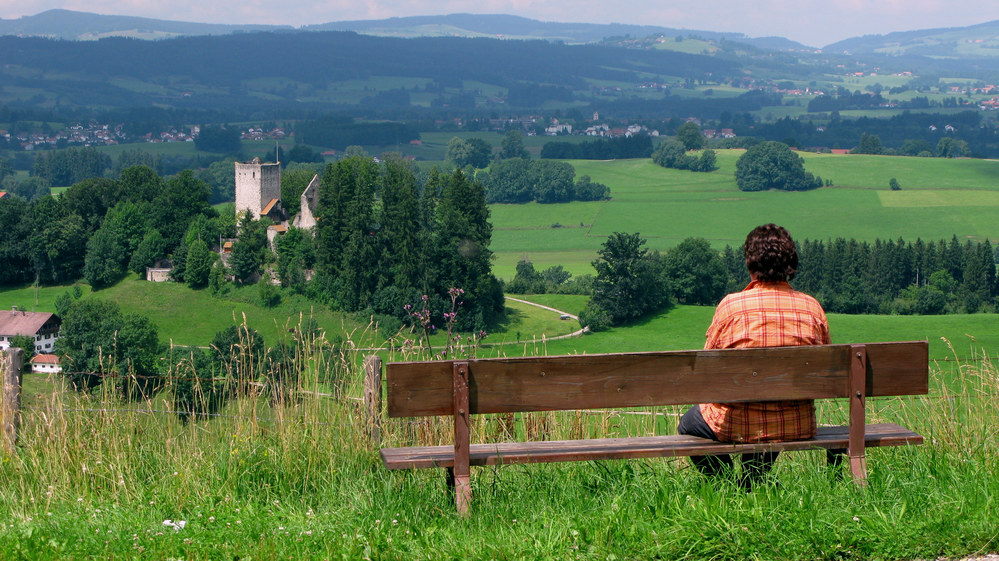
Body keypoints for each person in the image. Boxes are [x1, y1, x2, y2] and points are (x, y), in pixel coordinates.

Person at [677, 223, 830, 488]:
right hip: (796, 423)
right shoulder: (812, 309)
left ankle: (726, 485)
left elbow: (706, 371)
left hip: (736, 423)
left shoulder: (731, 307)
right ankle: (753, 481)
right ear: (791, 264)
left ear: (750, 264)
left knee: (689, 422)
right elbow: (827, 369)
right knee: (768, 416)